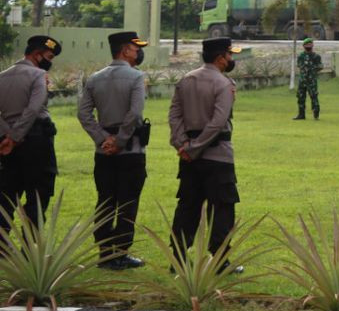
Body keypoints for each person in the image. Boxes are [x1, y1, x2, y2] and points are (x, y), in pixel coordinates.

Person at [77, 31, 150, 268]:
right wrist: (119, 141)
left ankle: (104, 252)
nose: (138, 51)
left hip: (103, 153)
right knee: (128, 202)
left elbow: (84, 113)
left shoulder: (95, 78)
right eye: (135, 47)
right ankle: (120, 253)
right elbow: (135, 113)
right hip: (130, 151)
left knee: (105, 201)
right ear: (125, 50)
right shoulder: (136, 77)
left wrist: (102, 140)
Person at [168, 37, 243, 264]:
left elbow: (174, 116)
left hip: (189, 157)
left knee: (187, 207)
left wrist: (184, 145)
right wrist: (197, 147)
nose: (231, 59)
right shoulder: (223, 84)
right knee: (221, 208)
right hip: (217, 155)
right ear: (220, 58)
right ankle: (220, 260)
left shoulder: (186, 80)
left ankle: (178, 257)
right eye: (230, 55)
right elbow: (218, 122)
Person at [0, 35, 62, 233]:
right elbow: (33, 109)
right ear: (37, 55)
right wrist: (16, 137)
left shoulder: (2, 76)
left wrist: (8, 136)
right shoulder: (37, 75)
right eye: (49, 57)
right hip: (36, 140)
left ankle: (2, 248)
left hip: (6, 144)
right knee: (38, 194)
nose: (49, 62)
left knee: (7, 195)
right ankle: (29, 251)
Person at [293, 37, 322, 120]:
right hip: (302, 80)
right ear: (304, 46)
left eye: (310, 44)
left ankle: (316, 114)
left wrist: (312, 69)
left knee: (314, 97)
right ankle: (301, 114)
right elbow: (299, 65)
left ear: (312, 45)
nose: (309, 46)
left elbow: (320, 66)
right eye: (307, 44)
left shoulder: (316, 56)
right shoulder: (301, 56)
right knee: (300, 97)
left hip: (312, 80)